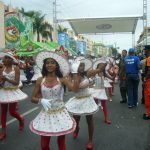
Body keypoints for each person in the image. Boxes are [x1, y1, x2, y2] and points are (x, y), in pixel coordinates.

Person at [29, 51, 79, 150]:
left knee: (61, 142)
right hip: (46, 114)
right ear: (44, 65)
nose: (50, 65)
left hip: (60, 113)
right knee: (44, 145)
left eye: (52, 62)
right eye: (47, 63)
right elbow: (33, 98)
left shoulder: (62, 79)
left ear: (56, 65)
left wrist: (75, 73)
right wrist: (41, 100)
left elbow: (74, 90)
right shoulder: (40, 80)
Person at [66, 58, 103, 149]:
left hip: (87, 99)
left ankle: (90, 140)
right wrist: (75, 77)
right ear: (75, 66)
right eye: (79, 65)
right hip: (77, 99)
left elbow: (99, 69)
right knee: (76, 120)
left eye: (83, 65)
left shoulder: (87, 73)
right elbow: (70, 89)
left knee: (89, 120)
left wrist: (103, 62)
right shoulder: (71, 76)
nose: (82, 67)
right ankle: (77, 129)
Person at [0, 52, 28, 141]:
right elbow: (1, 84)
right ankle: (3, 132)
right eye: (4, 58)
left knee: (12, 112)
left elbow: (16, 83)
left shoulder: (16, 69)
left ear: (11, 60)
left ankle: (20, 120)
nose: (4, 60)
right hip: (4, 91)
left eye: (6, 58)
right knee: (3, 112)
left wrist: (6, 79)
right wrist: (2, 82)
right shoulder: (2, 69)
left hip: (13, 91)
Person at [90, 59, 111, 124]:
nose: (101, 67)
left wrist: (115, 75)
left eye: (102, 66)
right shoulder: (94, 73)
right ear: (98, 67)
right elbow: (90, 81)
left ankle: (106, 118)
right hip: (95, 91)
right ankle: (90, 116)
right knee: (94, 104)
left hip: (102, 91)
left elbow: (112, 78)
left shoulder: (104, 73)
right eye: (100, 66)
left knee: (104, 104)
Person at [143, 45, 150, 120]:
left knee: (148, 97)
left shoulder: (149, 58)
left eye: (145, 50)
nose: (144, 51)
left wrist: (145, 79)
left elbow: (149, 71)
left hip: (149, 80)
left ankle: (148, 114)